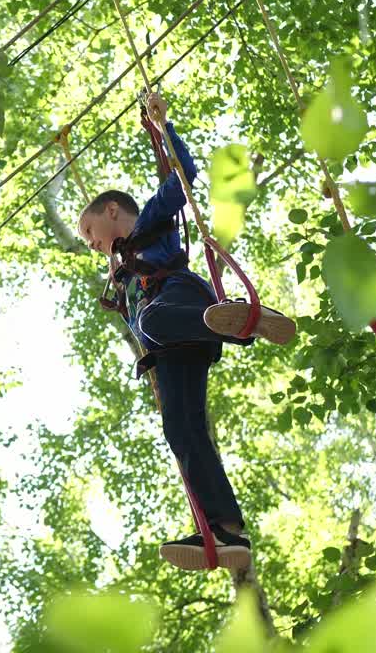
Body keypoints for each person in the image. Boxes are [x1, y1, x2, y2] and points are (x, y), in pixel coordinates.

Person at [75, 91, 297, 571]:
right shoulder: (122, 273)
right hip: (174, 346)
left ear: (112, 210)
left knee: (152, 320)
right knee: (180, 427)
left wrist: (164, 128)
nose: (91, 243)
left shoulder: (150, 224)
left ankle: (240, 322)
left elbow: (183, 176)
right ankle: (224, 529)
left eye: (89, 229)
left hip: (181, 304)